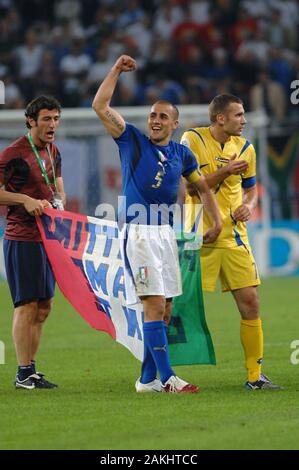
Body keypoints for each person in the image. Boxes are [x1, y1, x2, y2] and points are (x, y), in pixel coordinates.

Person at [92, 55, 222, 394]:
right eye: (152, 115)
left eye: (163, 116)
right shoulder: (132, 141)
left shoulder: (182, 155)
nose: (155, 120)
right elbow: (100, 106)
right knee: (153, 304)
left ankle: (147, 379)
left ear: (174, 124)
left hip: (166, 234)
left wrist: (217, 220)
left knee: (165, 308)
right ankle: (168, 378)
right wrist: (116, 71)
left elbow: (201, 186)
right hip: (139, 233)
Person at [181, 93, 281, 390]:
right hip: (198, 237)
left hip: (234, 237)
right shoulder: (192, 139)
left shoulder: (246, 148)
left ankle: (254, 376)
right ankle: (158, 374)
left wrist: (249, 205)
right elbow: (190, 188)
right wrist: (224, 171)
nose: (244, 120)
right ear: (220, 118)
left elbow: (251, 189)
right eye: (238, 115)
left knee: (251, 302)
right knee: (170, 308)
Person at [0, 95, 66, 390]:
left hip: (47, 238)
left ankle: (32, 371)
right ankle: (23, 373)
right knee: (27, 305)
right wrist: (24, 199)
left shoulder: (53, 151)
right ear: (31, 121)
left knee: (44, 306)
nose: (52, 125)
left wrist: (59, 203)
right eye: (47, 119)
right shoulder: (14, 153)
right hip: (22, 237)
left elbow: (57, 184)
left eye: (55, 119)